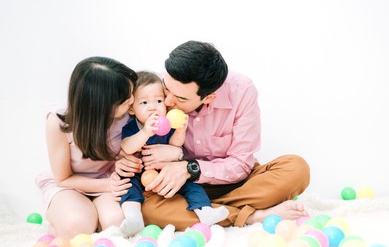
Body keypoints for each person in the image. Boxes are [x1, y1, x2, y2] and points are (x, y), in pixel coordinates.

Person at [113, 40, 310, 231]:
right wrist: (122, 159)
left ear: (208, 98)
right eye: (166, 89)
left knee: (296, 169)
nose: (168, 101)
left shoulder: (241, 91)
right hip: (175, 185)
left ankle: (207, 210)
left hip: (232, 182)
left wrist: (188, 167)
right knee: (145, 207)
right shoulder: (150, 86)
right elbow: (120, 133)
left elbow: (241, 164)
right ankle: (250, 215)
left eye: (180, 98)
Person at [35, 56, 139, 239]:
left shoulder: (128, 115)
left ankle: (92, 217)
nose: (132, 100)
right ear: (102, 106)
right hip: (69, 185)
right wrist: (107, 185)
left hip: (108, 179)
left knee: (118, 222)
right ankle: (68, 220)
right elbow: (63, 178)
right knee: (78, 225)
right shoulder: (60, 122)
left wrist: (125, 162)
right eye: (125, 99)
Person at [118, 71, 228, 237]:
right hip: (139, 172)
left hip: (167, 171)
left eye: (159, 101)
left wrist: (180, 130)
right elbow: (127, 147)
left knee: (191, 184)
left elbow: (175, 146)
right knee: (127, 184)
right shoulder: (132, 127)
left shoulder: (167, 124)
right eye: (144, 102)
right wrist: (145, 133)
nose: (153, 106)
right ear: (132, 109)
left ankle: (205, 211)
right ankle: (134, 217)